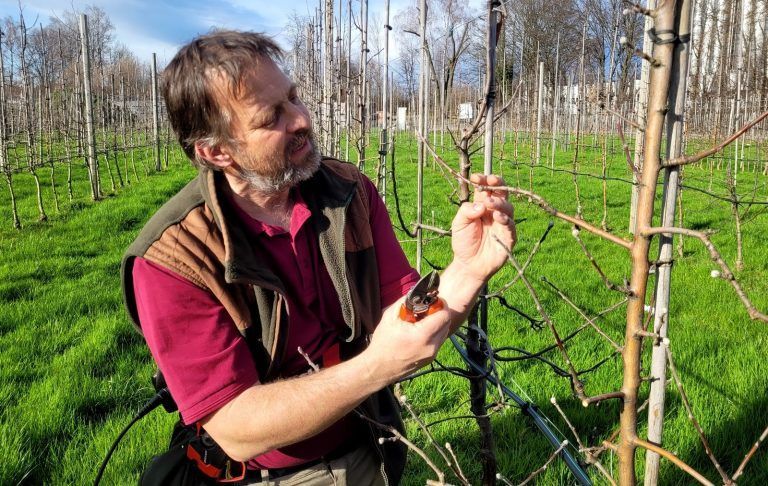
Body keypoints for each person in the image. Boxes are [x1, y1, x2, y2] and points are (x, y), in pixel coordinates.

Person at [120, 30, 516, 485]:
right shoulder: (175, 258)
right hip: (261, 474)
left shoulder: (349, 195)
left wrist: (469, 269)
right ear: (216, 151)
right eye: (272, 116)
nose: (301, 119)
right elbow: (233, 427)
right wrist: (376, 367)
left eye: (293, 98)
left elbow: (408, 321)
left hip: (368, 446)